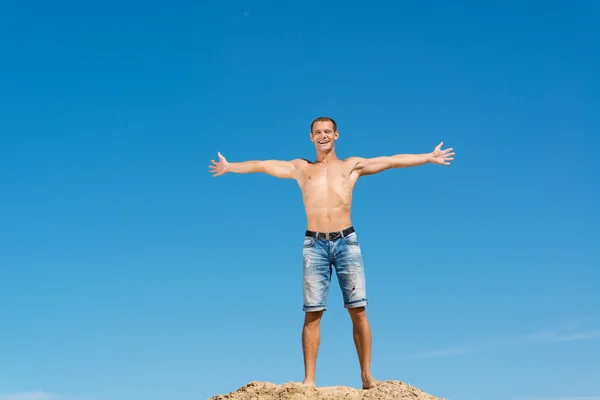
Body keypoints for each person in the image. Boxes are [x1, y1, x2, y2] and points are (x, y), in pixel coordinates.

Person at [209, 116, 455, 390]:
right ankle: (309, 380)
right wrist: (230, 166)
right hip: (314, 246)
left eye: (328, 131)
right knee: (312, 313)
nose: (323, 135)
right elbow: (264, 165)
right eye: (317, 132)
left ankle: (366, 376)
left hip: (346, 241)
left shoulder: (351, 166)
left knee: (358, 309)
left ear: (336, 135)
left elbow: (391, 160)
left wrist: (428, 157)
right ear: (311, 137)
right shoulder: (301, 168)